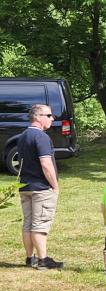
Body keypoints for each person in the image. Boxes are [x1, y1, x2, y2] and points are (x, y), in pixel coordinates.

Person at [18, 104, 63, 269]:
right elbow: (46, 164)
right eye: (49, 115)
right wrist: (55, 186)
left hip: (25, 186)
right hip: (41, 188)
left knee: (28, 223)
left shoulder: (23, 136)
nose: (52, 118)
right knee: (40, 224)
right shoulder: (41, 137)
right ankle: (43, 260)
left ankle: (30, 258)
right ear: (37, 117)